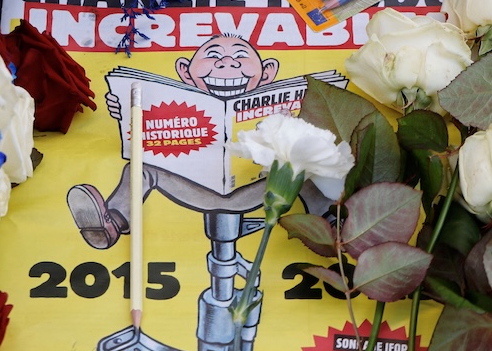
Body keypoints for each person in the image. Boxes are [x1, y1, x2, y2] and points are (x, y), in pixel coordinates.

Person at [67, 34, 329, 249]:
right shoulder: (173, 101)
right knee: (140, 169)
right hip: (194, 187)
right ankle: (111, 224)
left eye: (240, 56)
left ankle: (331, 222)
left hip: (259, 187)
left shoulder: (277, 106)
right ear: (185, 71)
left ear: (267, 72)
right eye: (213, 55)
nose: (228, 63)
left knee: (302, 166)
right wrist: (125, 109)